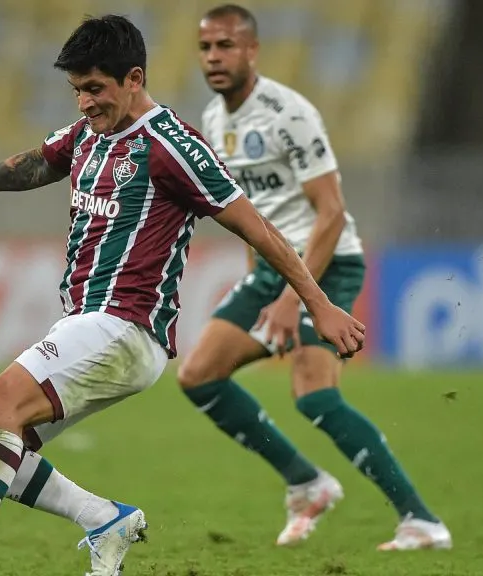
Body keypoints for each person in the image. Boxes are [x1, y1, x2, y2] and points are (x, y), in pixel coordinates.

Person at [0, 14, 365, 576]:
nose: (84, 103)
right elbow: (33, 164)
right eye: (77, 90)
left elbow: (257, 226)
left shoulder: (172, 147)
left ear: (134, 78)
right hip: (86, 324)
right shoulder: (87, 136)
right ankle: (105, 518)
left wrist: (318, 304)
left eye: (95, 89)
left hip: (127, 327)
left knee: (2, 403)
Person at [178, 4, 452, 551]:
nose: (214, 57)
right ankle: (306, 482)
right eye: (206, 47)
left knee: (313, 395)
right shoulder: (214, 119)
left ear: (251, 50)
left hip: (327, 263)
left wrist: (287, 300)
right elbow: (253, 211)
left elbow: (329, 211)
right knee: (199, 375)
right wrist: (263, 280)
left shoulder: (288, 111)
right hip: (274, 271)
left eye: (226, 45)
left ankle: (421, 521)